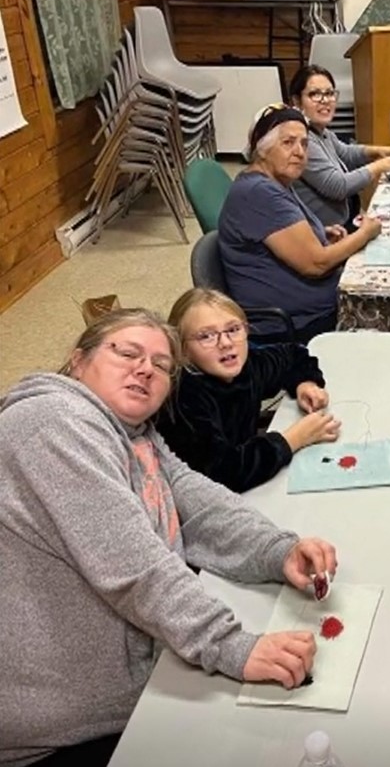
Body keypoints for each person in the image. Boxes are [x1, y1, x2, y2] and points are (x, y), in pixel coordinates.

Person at [0, 309, 339, 767]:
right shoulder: (52, 421)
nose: (145, 368)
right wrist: (231, 644)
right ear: (77, 361)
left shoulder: (133, 432)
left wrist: (275, 550)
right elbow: (132, 563)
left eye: (162, 365)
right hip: (62, 731)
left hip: (130, 682)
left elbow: (194, 502)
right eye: (127, 352)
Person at [218, 104, 382, 344]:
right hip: (294, 323)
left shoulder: (277, 181)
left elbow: (276, 233)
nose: (299, 152)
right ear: (262, 149)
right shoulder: (259, 193)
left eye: (304, 144)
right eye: (288, 143)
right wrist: (365, 233)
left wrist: (320, 234)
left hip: (306, 309)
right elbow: (316, 264)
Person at [157, 288, 341, 493]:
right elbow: (222, 473)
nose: (226, 343)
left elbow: (292, 355)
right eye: (206, 336)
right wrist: (292, 440)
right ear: (182, 350)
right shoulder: (184, 398)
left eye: (233, 329)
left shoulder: (247, 366)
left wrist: (305, 383)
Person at [289, 64, 390, 227]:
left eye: (329, 94)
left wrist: (380, 150)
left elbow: (346, 152)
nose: (325, 101)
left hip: (345, 220)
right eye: (315, 94)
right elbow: (338, 186)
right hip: (326, 233)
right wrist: (379, 166)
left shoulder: (322, 132)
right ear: (297, 101)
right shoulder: (302, 140)